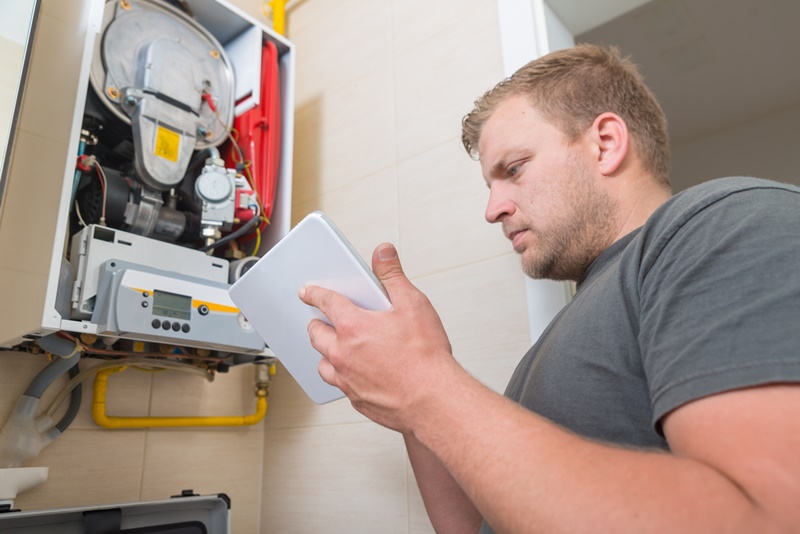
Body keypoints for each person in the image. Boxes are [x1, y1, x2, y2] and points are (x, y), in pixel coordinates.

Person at [298, 44, 800, 533]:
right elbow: (477, 525)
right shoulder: (564, 334)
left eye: (513, 170)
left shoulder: (727, 221)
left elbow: (766, 516)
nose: (492, 209)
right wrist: (414, 394)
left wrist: (424, 384)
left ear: (605, 143)